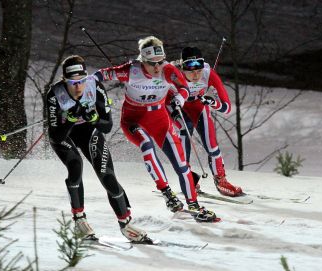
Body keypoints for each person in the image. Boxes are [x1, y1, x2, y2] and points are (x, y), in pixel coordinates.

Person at [93, 36, 216, 222]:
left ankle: (193, 203)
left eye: (160, 62)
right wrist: (86, 87)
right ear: (142, 60)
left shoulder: (167, 69)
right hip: (134, 120)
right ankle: (167, 193)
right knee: (146, 145)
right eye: (152, 64)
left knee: (181, 164)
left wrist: (179, 99)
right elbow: (101, 75)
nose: (157, 68)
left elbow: (183, 88)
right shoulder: (131, 70)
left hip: (159, 118)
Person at [46, 55, 149, 242]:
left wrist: (93, 118)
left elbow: (107, 126)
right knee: (75, 165)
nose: (78, 87)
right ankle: (79, 219)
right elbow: (55, 136)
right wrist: (69, 119)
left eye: (82, 81)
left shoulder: (95, 86)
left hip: (88, 131)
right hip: (64, 133)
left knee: (107, 175)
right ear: (64, 80)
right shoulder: (55, 94)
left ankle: (125, 223)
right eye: (72, 82)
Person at [167, 47, 243, 197]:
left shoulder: (208, 74)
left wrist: (212, 102)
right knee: (184, 133)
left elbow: (227, 108)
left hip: (198, 106)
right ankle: (188, 180)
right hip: (176, 108)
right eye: (190, 70)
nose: (196, 75)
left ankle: (221, 180)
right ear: (182, 68)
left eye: (199, 70)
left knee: (212, 146)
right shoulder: (172, 74)